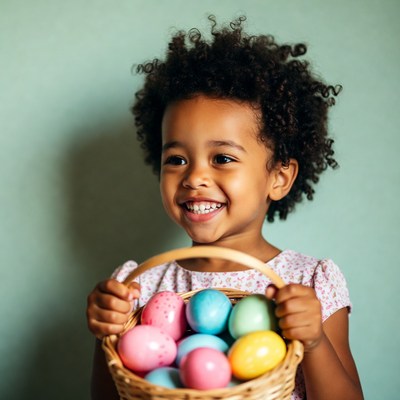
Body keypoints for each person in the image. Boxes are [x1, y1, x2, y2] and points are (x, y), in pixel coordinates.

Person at [86, 15, 363, 400]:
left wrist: (313, 341)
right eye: (177, 160)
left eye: (223, 158)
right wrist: (108, 336)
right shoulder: (139, 287)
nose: (194, 177)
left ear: (279, 178)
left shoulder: (308, 285)